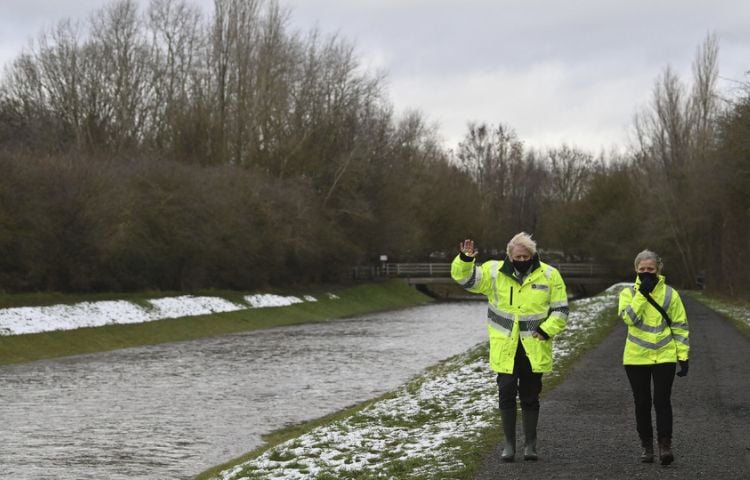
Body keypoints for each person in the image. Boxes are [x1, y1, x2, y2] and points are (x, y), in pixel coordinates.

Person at [451, 232, 568, 462]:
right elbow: (466, 280)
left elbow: (561, 310)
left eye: (526, 256)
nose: (522, 260)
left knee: (530, 396)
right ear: (509, 255)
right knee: (505, 392)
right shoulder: (494, 272)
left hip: (534, 346)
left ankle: (530, 445)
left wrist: (546, 329)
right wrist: (465, 260)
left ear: (533, 255)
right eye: (518, 256)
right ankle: (509, 445)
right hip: (505, 347)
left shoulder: (550, 275)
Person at [618, 250, 689, 465]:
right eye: (642, 270)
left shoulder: (670, 294)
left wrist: (683, 356)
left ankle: (664, 446)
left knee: (662, 401)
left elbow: (680, 325)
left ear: (658, 270)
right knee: (642, 403)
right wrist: (642, 294)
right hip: (636, 358)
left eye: (651, 269)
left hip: (664, 355)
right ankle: (646, 447)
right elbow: (629, 319)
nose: (646, 273)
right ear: (636, 270)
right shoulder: (628, 294)